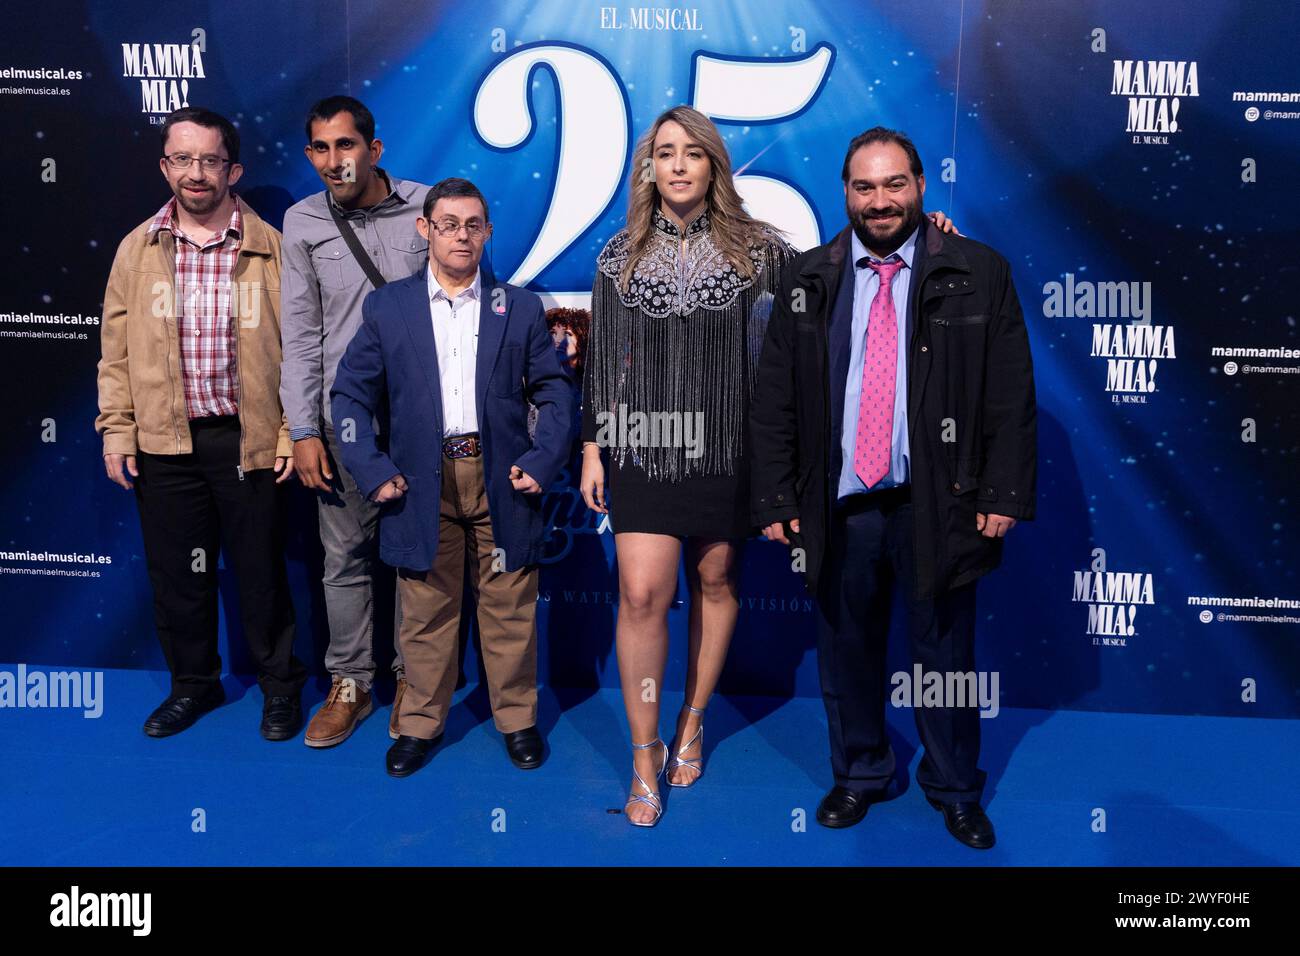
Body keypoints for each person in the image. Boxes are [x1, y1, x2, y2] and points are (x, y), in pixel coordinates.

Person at [750, 127, 1037, 849]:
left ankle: (954, 787)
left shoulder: (978, 271)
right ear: (845, 192)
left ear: (920, 187)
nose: (880, 202)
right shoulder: (807, 279)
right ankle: (860, 775)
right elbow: (775, 397)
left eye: (894, 185)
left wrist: (1003, 493)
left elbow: (1008, 393)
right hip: (840, 503)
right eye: (864, 187)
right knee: (846, 649)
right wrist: (778, 498)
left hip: (940, 499)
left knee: (946, 655)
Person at [331, 178, 574, 777]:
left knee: (510, 605)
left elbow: (556, 392)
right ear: (426, 230)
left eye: (473, 225)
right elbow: (348, 397)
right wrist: (372, 468)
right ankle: (419, 725)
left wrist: (542, 462)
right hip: (421, 482)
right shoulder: (389, 306)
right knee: (425, 610)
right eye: (448, 224)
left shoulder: (517, 307)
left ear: (487, 232)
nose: (461, 235)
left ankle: (517, 720)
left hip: (501, 478)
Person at [96, 106, 307, 740]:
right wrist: (117, 427)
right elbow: (115, 350)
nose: (196, 172)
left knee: (262, 572)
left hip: (248, 438)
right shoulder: (137, 249)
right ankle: (194, 685)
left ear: (232, 169)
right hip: (166, 440)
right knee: (178, 577)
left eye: (210, 160)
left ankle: (279, 687)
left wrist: (291, 428)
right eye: (182, 159)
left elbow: (302, 347)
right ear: (165, 167)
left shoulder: (272, 248)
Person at [280, 95, 429, 747]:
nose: (334, 161)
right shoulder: (302, 221)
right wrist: (303, 428)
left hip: (424, 418)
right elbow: (302, 332)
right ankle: (351, 684)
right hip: (346, 422)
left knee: (418, 554)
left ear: (374, 148)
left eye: (346, 145)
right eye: (320, 148)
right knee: (344, 556)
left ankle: (414, 682)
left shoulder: (431, 209)